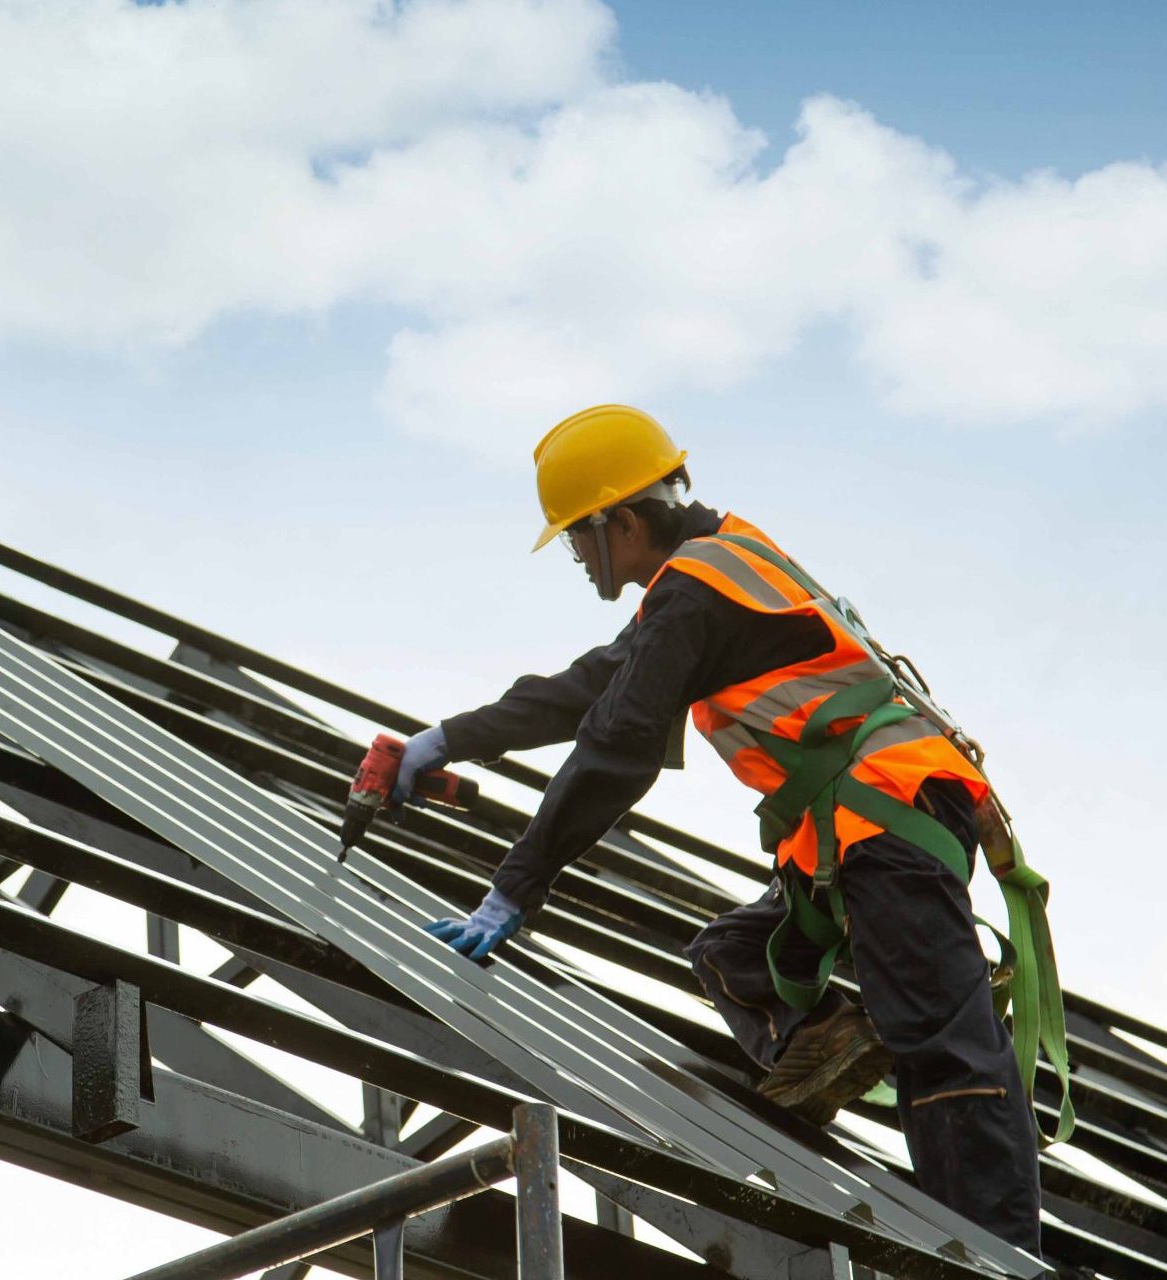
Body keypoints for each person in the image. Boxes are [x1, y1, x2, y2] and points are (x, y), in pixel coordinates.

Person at [412, 404, 1043, 1250]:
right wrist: (450, 738)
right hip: (859, 835)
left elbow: (616, 745)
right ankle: (826, 1040)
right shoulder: (716, 568)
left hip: (885, 823)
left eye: (575, 539)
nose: (575, 559)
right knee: (734, 956)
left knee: (945, 1052)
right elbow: (587, 690)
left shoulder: (695, 594)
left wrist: (513, 889)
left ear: (621, 524)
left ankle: (998, 1262)